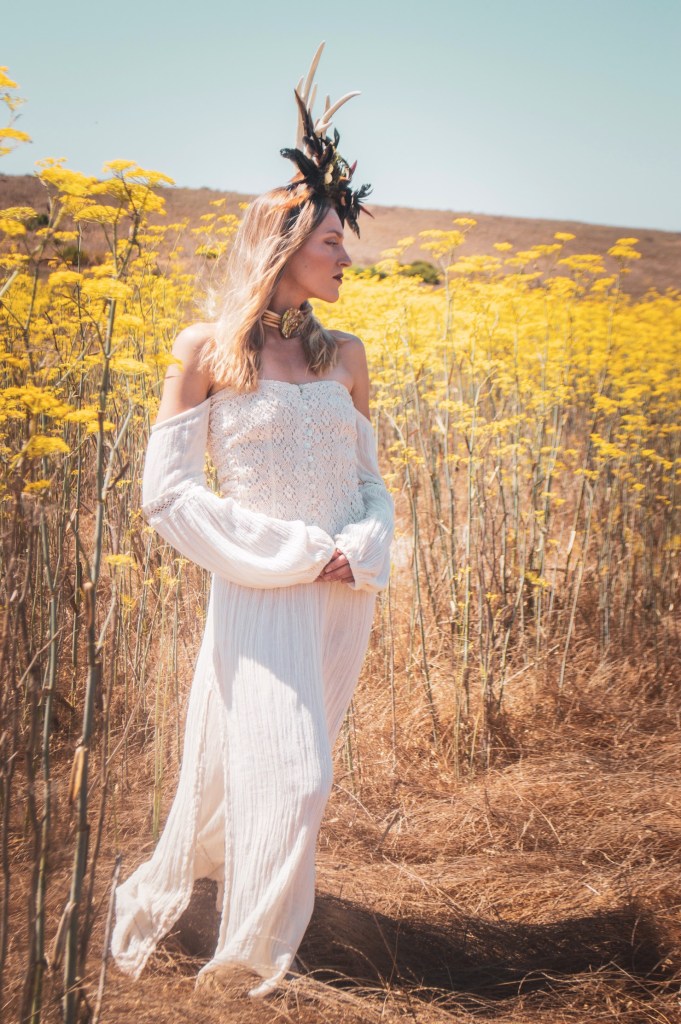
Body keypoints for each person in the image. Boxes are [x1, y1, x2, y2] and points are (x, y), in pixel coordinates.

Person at [110, 43, 394, 998]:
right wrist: (287, 553)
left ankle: (247, 918)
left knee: (278, 772)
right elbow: (167, 493)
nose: (344, 256)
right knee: (302, 775)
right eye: (330, 242)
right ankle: (249, 964)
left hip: (335, 595)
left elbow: (371, 487)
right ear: (283, 248)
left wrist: (356, 549)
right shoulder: (205, 351)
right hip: (260, 588)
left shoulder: (347, 355)